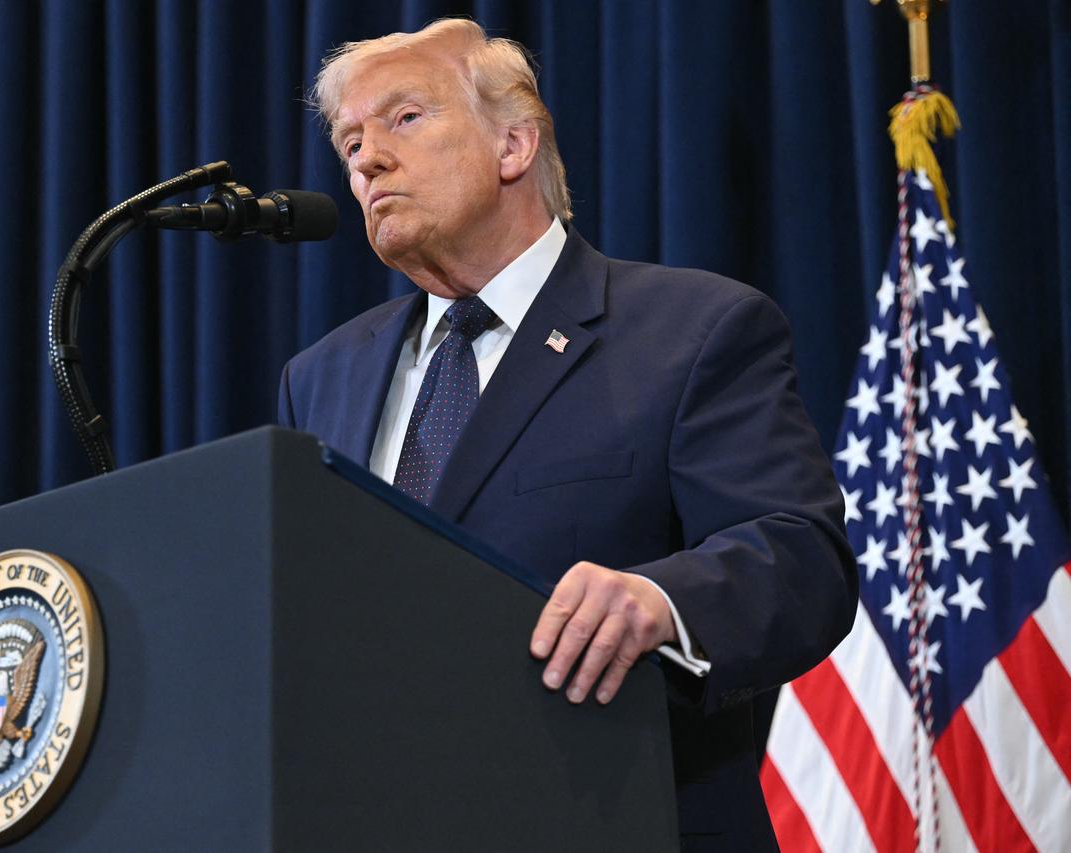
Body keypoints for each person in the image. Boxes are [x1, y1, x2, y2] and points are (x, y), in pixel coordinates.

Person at [278, 18, 857, 850]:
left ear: (513, 144)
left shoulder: (692, 330)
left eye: (403, 119)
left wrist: (662, 600)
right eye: (350, 141)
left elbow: (801, 557)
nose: (366, 159)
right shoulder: (320, 376)